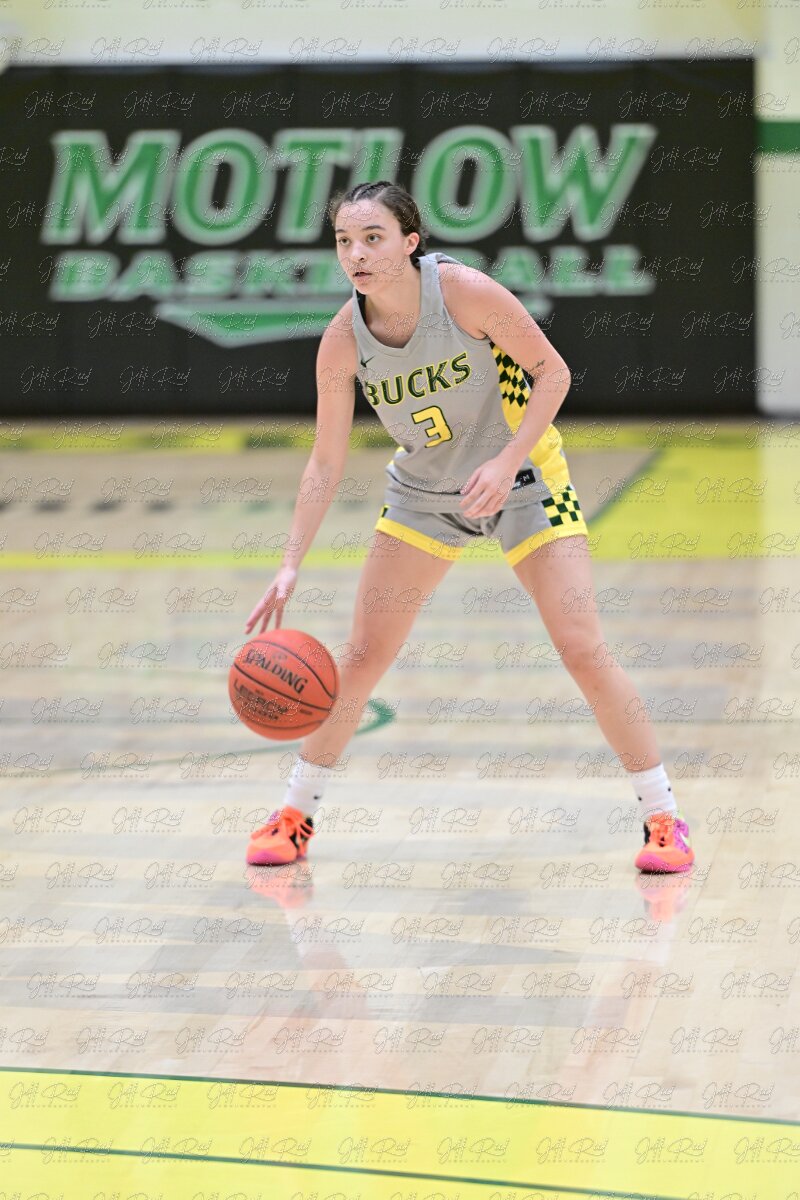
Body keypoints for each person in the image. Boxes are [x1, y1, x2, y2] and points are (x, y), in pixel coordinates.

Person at [243, 180, 694, 876]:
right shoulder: (342, 340)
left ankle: (663, 818)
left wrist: (507, 460)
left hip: (525, 481)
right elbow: (325, 460)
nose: (356, 255)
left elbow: (553, 374)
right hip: (424, 493)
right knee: (361, 657)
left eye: (373, 238)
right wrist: (289, 563)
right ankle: (294, 815)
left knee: (581, 648)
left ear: (411, 242)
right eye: (344, 241)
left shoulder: (464, 293)